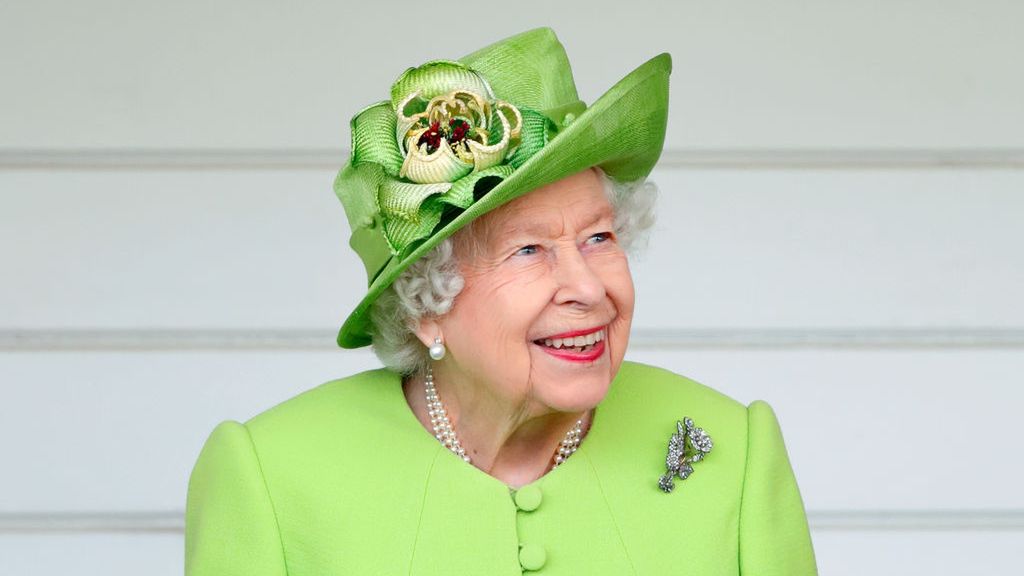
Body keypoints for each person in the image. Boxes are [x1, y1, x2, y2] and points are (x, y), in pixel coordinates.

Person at [185, 28, 818, 575]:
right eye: (530, 251)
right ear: (427, 301)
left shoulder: (733, 449)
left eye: (599, 237)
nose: (590, 288)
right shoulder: (273, 474)